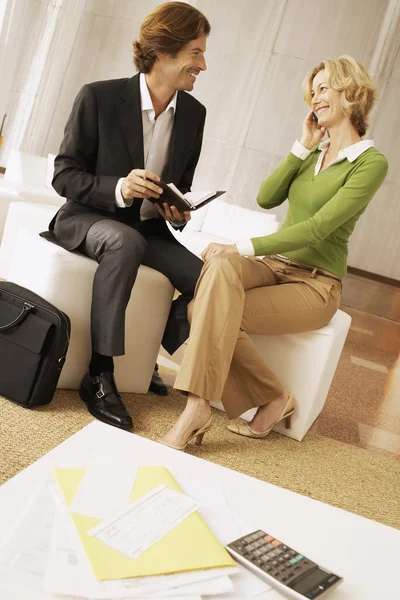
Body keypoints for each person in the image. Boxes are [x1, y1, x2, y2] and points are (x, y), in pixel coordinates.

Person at [159, 55, 389, 451]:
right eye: (312, 92)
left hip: (315, 284)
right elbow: (267, 198)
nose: (314, 99)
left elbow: (317, 228)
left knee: (204, 309)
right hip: (274, 266)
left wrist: (242, 245)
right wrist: (302, 146)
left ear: (349, 92)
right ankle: (257, 398)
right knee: (220, 267)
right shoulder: (313, 154)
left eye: (323, 89)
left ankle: (202, 409)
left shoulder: (370, 163)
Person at [41, 2, 211, 431]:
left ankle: (149, 351)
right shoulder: (97, 96)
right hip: (86, 217)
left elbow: (180, 183)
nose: (203, 65)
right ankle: (99, 373)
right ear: (164, 52)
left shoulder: (194, 114)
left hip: (149, 228)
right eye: (195, 52)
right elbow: (64, 175)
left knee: (210, 278)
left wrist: (177, 210)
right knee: (125, 241)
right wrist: (119, 187)